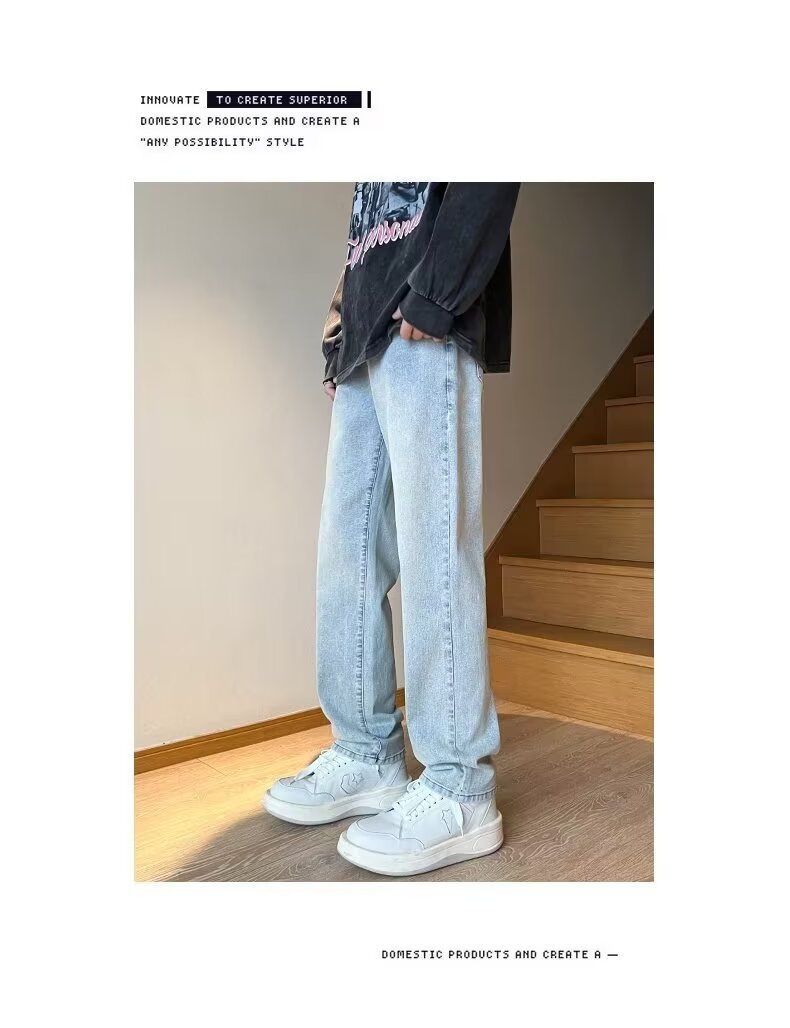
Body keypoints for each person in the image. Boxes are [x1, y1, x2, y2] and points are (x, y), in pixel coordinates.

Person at [264, 182, 521, 876]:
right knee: (344, 555)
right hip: (367, 331)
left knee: (436, 551)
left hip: (426, 312)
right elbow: (369, 219)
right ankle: (365, 751)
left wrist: (440, 290)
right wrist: (340, 330)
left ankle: (460, 787)